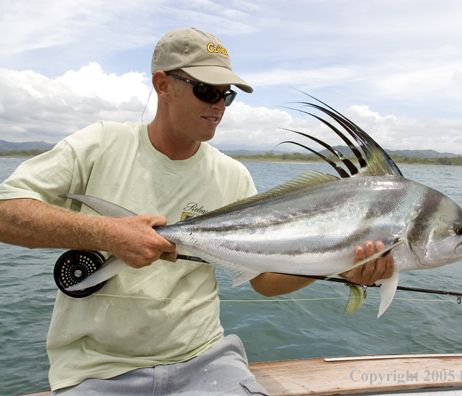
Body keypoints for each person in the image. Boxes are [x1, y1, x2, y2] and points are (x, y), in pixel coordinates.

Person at [0, 28, 394, 395]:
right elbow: (6, 212)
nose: (220, 106)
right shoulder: (99, 144)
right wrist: (106, 234)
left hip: (205, 360)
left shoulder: (232, 175)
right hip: (95, 369)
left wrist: (337, 264)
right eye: (207, 91)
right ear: (162, 85)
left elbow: (264, 280)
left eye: (227, 95)